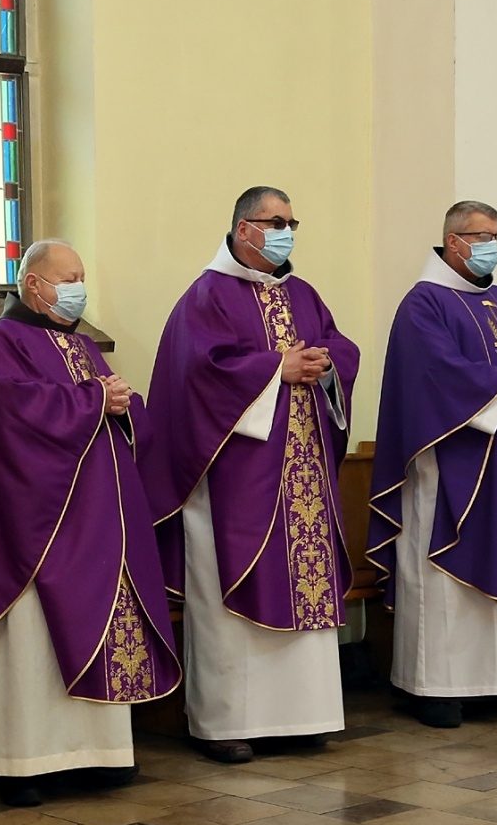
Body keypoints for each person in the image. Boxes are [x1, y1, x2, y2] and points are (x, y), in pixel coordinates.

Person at [0, 240, 182, 808]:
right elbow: (14, 416)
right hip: (32, 528)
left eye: (81, 277)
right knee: (31, 640)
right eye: (66, 278)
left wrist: (121, 403)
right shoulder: (0, 344)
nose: (77, 287)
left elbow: (110, 406)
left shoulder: (82, 346)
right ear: (34, 285)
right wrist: (96, 401)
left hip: (95, 524)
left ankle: (99, 753)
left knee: (95, 625)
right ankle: (22, 762)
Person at [140, 187, 358, 764]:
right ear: (242, 229)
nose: (286, 231)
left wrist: (328, 363)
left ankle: (306, 715)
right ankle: (225, 723)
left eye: (291, 221)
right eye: (274, 221)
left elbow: (338, 345)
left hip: (303, 472)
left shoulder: (304, 294)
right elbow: (196, 375)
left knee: (303, 582)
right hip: (236, 478)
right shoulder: (206, 297)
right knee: (229, 590)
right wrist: (274, 368)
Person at [369, 201, 497, 728]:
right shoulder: (422, 305)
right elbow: (434, 375)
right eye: (483, 235)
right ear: (454, 241)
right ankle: (437, 687)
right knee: (445, 575)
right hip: (452, 465)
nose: (493, 244)